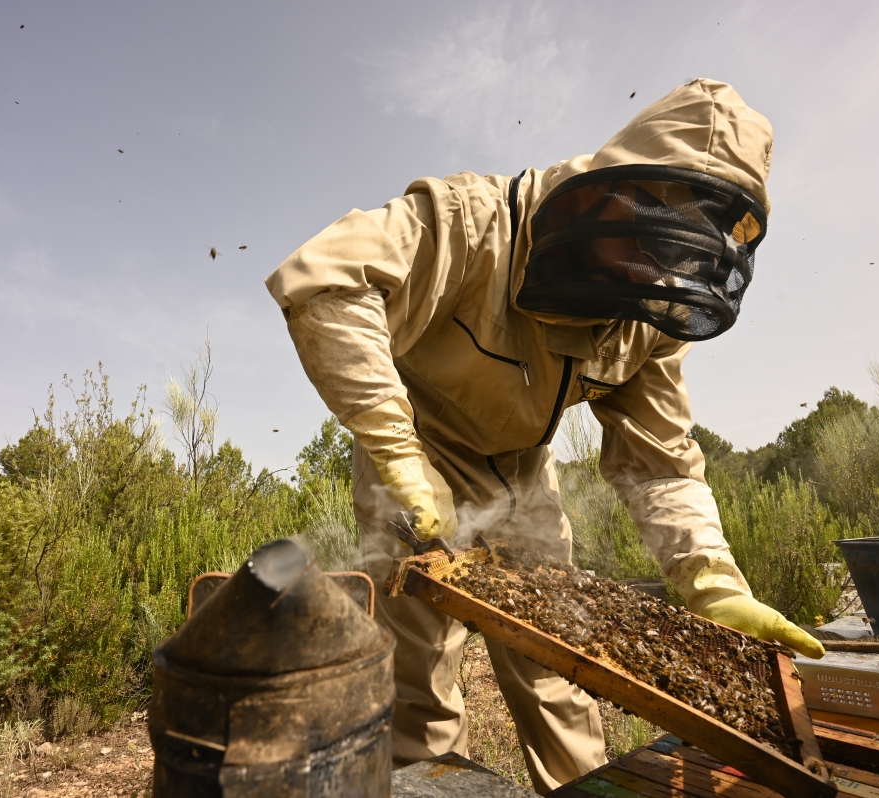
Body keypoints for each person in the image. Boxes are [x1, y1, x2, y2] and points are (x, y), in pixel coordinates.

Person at [265, 78, 825, 795]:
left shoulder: (651, 309)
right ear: (611, 199)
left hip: (525, 475)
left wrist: (710, 579)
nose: (653, 278)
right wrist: (400, 457)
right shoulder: (473, 224)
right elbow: (327, 283)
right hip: (419, 450)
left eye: (675, 263)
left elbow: (659, 464)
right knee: (424, 680)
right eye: (651, 250)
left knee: (561, 665)